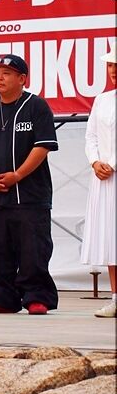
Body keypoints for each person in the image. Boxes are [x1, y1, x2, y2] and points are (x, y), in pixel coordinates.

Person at [0, 53, 59, 315]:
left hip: (30, 194)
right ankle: (2, 297)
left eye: (6, 73)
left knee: (33, 248)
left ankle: (36, 297)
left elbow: (42, 147)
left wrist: (17, 175)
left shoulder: (36, 106)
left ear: (22, 79)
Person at [81, 49, 116, 318]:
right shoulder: (102, 100)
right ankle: (115, 298)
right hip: (104, 178)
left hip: (111, 171)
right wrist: (95, 162)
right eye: (111, 65)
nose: (113, 70)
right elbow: (91, 136)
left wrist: (112, 163)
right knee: (110, 237)